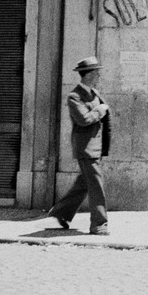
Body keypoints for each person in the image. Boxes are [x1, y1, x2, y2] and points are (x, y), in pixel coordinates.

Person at [48, 56, 112, 236]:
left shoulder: (94, 92)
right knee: (96, 186)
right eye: (97, 72)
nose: (99, 75)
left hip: (96, 147)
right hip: (86, 149)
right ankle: (99, 224)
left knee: (84, 183)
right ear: (89, 74)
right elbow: (83, 120)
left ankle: (61, 212)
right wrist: (100, 110)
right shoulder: (74, 96)